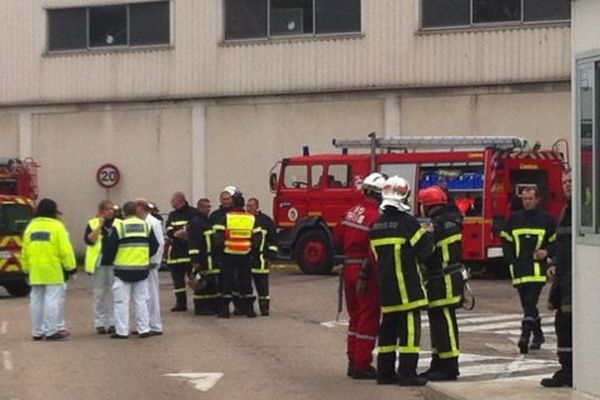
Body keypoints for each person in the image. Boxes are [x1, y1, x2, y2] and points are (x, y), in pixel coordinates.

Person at [369, 176, 434, 386]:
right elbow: (427, 251)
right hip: (408, 288)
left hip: (386, 289)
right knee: (409, 332)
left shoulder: (376, 226)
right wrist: (429, 234)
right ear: (405, 195)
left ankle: (385, 373)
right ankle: (407, 373)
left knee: (387, 332)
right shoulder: (408, 223)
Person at [333, 172, 385, 380]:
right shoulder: (376, 216)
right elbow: (375, 249)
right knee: (368, 317)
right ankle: (362, 365)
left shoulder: (352, 211)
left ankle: (353, 360)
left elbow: (337, 236)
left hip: (348, 268)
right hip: (366, 271)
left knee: (355, 316)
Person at [417, 186, 465, 381]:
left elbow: (425, 251)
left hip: (442, 279)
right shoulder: (451, 220)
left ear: (427, 206)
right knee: (439, 323)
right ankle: (438, 363)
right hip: (448, 277)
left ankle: (449, 366)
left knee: (444, 322)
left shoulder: (435, 225)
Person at [501, 187, 556, 354]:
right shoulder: (514, 219)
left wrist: (547, 252)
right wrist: (511, 260)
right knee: (528, 306)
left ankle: (524, 336)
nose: (527, 202)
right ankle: (538, 336)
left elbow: (556, 242)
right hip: (519, 271)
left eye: (530, 198)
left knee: (530, 302)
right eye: (524, 199)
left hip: (538, 271)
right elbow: (506, 241)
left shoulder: (546, 219)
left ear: (537, 199)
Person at [22, 199, 76, 341]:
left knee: (36, 300)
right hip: (52, 268)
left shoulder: (31, 227)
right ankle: (51, 331)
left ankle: (37, 331)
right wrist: (71, 267)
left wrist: (26, 268)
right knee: (52, 300)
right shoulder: (57, 226)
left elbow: (25, 250)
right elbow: (65, 249)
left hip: (35, 269)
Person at [541, 169, 573, 387]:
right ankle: (567, 368)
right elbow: (561, 247)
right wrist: (553, 264)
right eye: (564, 182)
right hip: (564, 280)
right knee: (563, 323)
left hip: (576, 280)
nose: (567, 185)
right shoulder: (566, 210)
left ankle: (572, 369)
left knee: (569, 324)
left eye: (571, 181)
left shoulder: (583, 210)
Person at [111, 201, 159, 339]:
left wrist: (112, 260)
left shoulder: (119, 227)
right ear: (136, 211)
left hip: (122, 270)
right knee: (141, 300)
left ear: (124, 212)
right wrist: (144, 256)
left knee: (121, 302)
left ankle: (121, 331)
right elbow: (154, 246)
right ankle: (144, 329)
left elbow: (110, 247)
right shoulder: (145, 226)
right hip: (141, 270)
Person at [213, 192, 258, 318]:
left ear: (232, 204)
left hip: (229, 254)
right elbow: (257, 238)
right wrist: (251, 250)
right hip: (245, 254)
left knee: (226, 282)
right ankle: (249, 310)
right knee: (246, 282)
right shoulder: (250, 218)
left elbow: (218, 238)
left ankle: (225, 310)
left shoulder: (227, 218)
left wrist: (221, 251)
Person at [84, 199, 120, 335]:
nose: (110, 211)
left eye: (112, 209)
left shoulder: (119, 223)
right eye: (107, 209)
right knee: (99, 293)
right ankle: (99, 322)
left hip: (115, 262)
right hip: (99, 263)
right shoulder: (92, 223)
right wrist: (99, 226)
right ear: (101, 211)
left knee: (114, 293)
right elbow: (89, 241)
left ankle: (112, 322)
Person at [135, 198, 165, 335]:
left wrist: (154, 260)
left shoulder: (153, 222)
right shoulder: (140, 221)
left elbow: (160, 243)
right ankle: (144, 324)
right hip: (140, 263)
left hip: (150, 264)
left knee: (151, 295)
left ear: (141, 207)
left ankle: (155, 325)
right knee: (142, 296)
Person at [246, 197, 278, 317]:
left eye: (251, 206)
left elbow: (273, 240)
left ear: (257, 207)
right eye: (247, 206)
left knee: (263, 287)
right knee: (247, 286)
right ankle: (248, 309)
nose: (248, 208)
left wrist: (270, 257)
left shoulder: (266, 221)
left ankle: (264, 309)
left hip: (261, 259)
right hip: (246, 259)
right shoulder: (244, 220)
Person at [165, 192, 196, 312]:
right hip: (176, 254)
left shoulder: (192, 212)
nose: (171, 203)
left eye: (173, 200)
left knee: (194, 279)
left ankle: (199, 302)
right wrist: (175, 234)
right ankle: (180, 303)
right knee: (178, 282)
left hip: (189, 253)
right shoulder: (172, 215)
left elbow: (194, 227)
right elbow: (168, 229)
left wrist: (186, 233)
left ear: (180, 200)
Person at [188, 198, 218, 315]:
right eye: (206, 207)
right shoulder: (196, 222)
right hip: (201, 258)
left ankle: (210, 307)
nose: (208, 209)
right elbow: (193, 243)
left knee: (209, 283)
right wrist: (195, 261)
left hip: (209, 258)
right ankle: (201, 308)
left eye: (209, 206)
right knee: (201, 284)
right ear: (200, 207)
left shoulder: (207, 221)